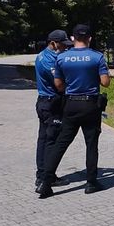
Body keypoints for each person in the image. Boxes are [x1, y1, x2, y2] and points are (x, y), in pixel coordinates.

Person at [37, 24, 111, 198]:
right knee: (91, 144)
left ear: (73, 38)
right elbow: (105, 82)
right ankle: (91, 183)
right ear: (89, 38)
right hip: (91, 104)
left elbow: (58, 84)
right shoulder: (97, 57)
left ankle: (46, 183)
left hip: (70, 104)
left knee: (61, 143)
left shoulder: (62, 58)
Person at [34, 30, 73, 192]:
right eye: (62, 44)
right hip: (51, 103)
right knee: (51, 140)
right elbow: (59, 83)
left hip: (45, 102)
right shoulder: (47, 60)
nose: (64, 47)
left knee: (43, 139)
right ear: (53, 43)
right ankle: (46, 177)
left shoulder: (44, 56)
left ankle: (42, 173)